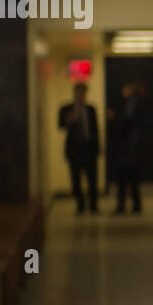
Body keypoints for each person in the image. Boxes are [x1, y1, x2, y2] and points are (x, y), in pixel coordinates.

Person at [57, 82, 99, 214]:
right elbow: (60, 125)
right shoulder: (66, 109)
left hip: (89, 148)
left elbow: (95, 130)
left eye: (83, 92)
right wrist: (69, 120)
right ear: (74, 93)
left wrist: (98, 148)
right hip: (74, 150)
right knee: (75, 179)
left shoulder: (91, 109)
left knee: (92, 179)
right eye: (78, 92)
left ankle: (93, 206)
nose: (81, 95)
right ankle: (80, 205)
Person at [111, 82, 143, 214]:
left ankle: (135, 205)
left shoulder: (138, 106)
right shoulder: (121, 105)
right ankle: (122, 204)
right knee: (122, 178)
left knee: (133, 178)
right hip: (123, 147)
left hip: (133, 147)